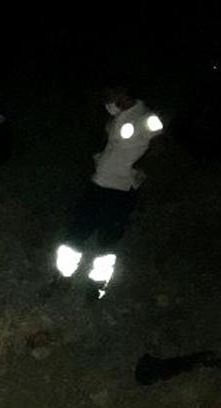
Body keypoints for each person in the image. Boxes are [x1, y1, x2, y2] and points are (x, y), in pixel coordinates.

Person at [52, 83, 163, 300]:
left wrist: (139, 168)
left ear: (124, 93)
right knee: (75, 234)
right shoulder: (118, 116)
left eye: (111, 95)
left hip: (121, 191)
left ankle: (96, 288)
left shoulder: (147, 117)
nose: (107, 100)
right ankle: (62, 277)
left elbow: (160, 146)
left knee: (107, 243)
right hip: (98, 184)